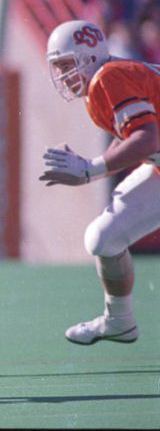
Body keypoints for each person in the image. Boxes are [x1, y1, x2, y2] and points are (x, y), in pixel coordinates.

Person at [40, 19, 160, 345]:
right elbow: (131, 136)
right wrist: (91, 171)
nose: (63, 75)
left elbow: (147, 138)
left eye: (67, 64)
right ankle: (119, 320)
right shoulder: (104, 81)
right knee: (103, 238)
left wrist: (90, 170)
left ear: (88, 56)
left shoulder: (108, 78)